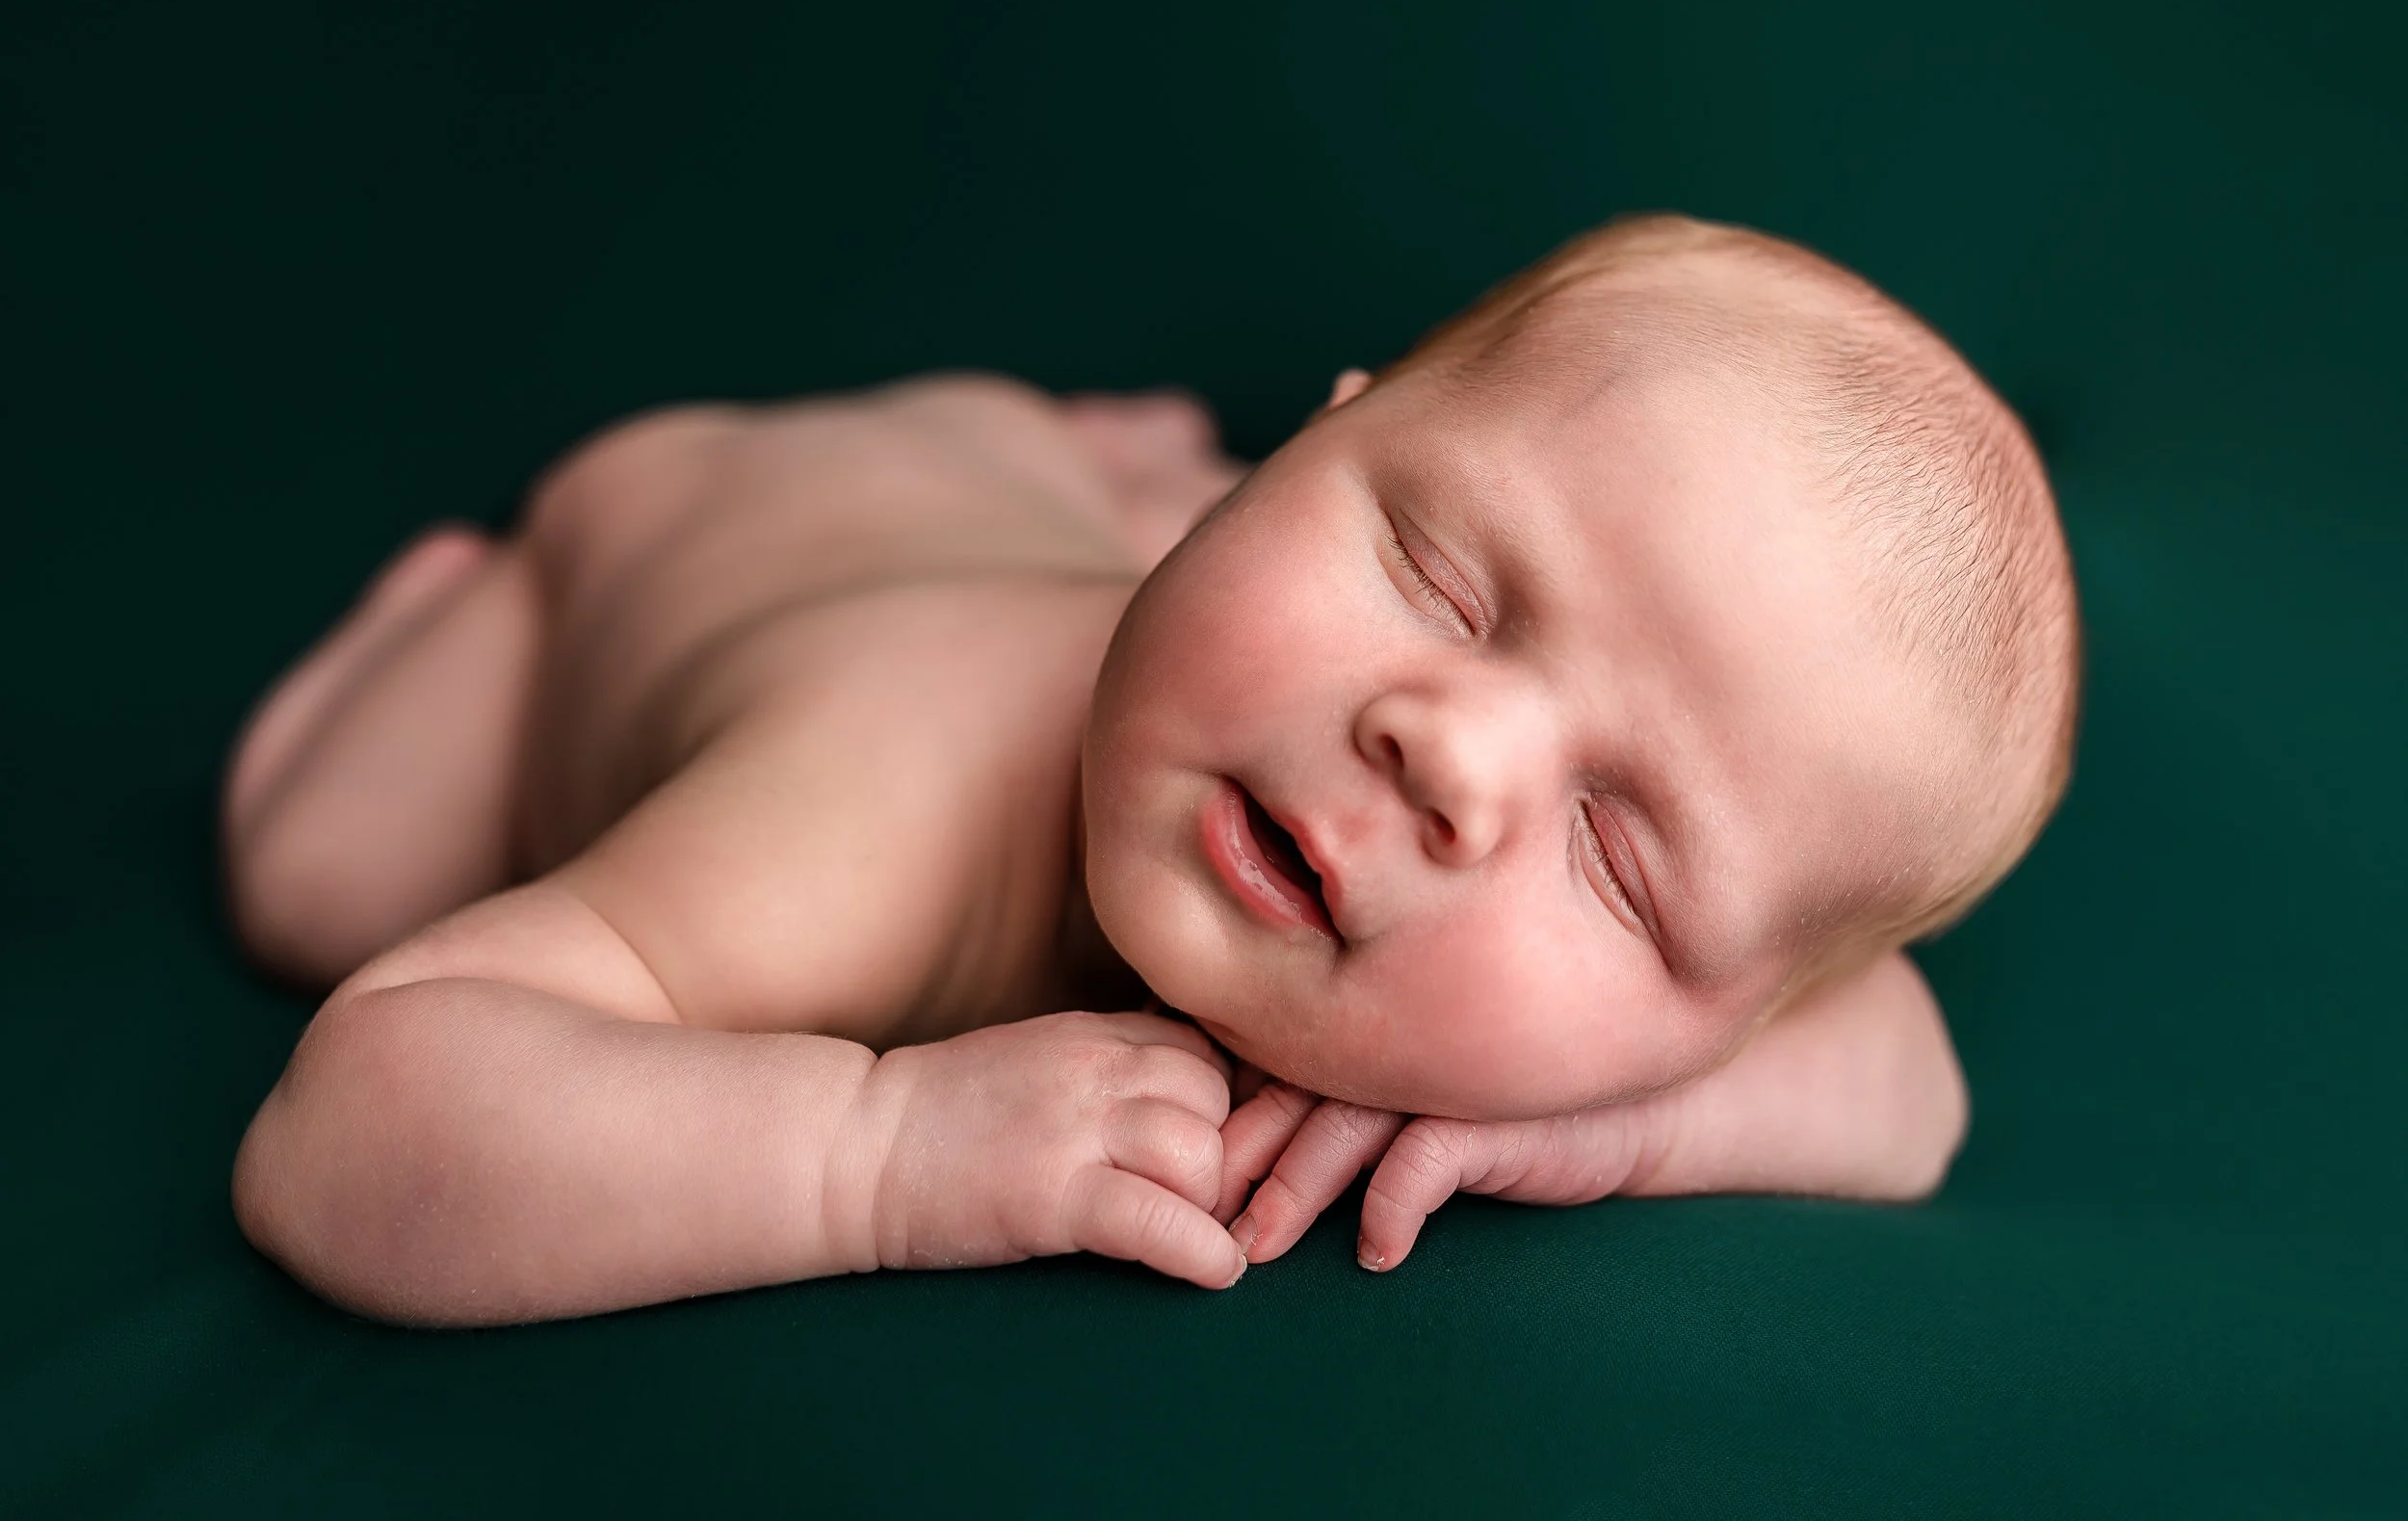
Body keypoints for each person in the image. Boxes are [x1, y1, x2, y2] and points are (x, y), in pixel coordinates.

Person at [226, 215, 2079, 1324]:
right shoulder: (875, 803)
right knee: (314, 877)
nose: (1448, 751)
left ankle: (1097, 467)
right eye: (1437, 574)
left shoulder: (1666, 1007)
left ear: (1718, 1011)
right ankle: (465, 592)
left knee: (1152, 567)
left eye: (1620, 860)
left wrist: (1607, 1119)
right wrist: (876, 1155)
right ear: (1311, 441)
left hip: (1008, 509)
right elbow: (354, 1124)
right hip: (666, 532)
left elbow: (1911, 1082)